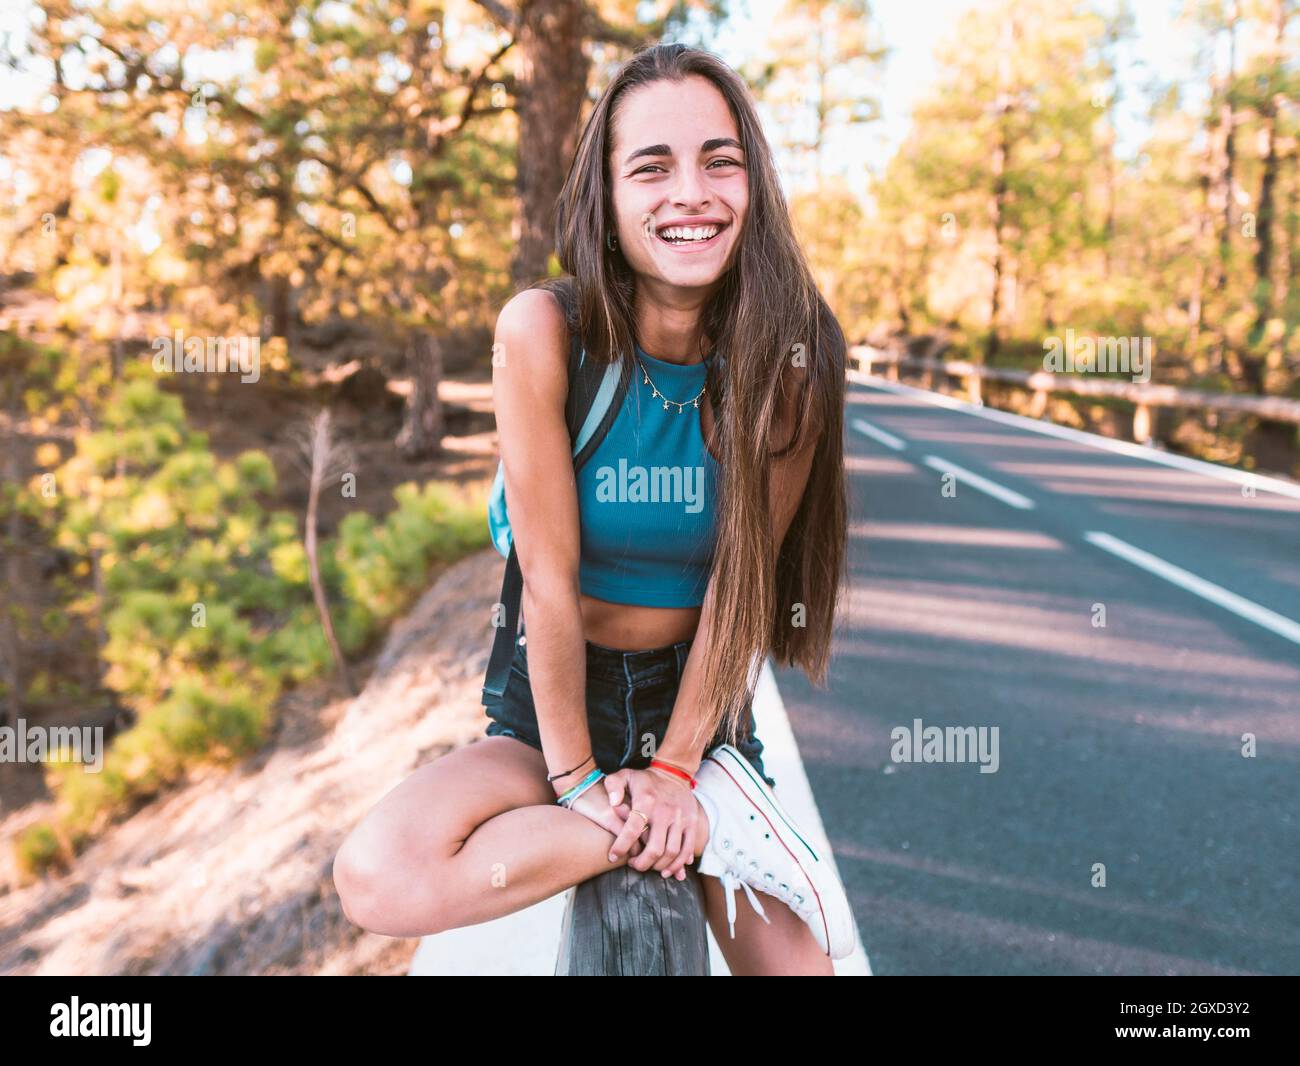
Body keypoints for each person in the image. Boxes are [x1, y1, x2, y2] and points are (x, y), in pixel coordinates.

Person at [333, 42, 854, 974]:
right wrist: (580, 785)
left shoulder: (793, 352)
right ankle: (689, 836)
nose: (690, 192)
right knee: (379, 876)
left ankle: (706, 818)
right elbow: (549, 580)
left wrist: (673, 772)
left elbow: (743, 592)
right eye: (651, 167)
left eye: (719, 160)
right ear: (606, 201)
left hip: (692, 710)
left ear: (753, 184)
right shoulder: (544, 333)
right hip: (552, 708)